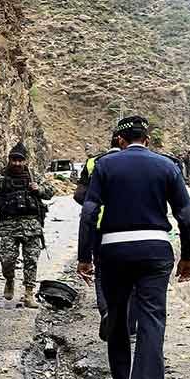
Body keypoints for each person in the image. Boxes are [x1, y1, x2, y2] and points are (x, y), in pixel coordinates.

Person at [77, 115, 190, 379]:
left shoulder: (103, 165)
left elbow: (89, 212)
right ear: (147, 140)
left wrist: (84, 256)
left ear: (121, 140)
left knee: (116, 314)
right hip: (155, 251)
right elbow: (186, 214)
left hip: (113, 252)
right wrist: (188, 256)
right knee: (152, 320)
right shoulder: (166, 166)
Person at [0, 142, 54, 308]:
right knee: (7, 259)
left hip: (32, 226)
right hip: (8, 226)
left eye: (20, 160)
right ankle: (9, 279)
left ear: (25, 161)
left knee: (31, 260)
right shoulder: (0, 178)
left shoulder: (33, 175)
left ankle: (29, 294)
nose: (16, 163)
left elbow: (50, 191)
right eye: (13, 160)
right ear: (9, 160)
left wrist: (39, 189)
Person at [74, 134, 121, 336]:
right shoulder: (135, 161)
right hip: (128, 225)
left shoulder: (94, 162)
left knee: (102, 272)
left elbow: (79, 196)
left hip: (100, 226)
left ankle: (106, 312)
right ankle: (131, 320)